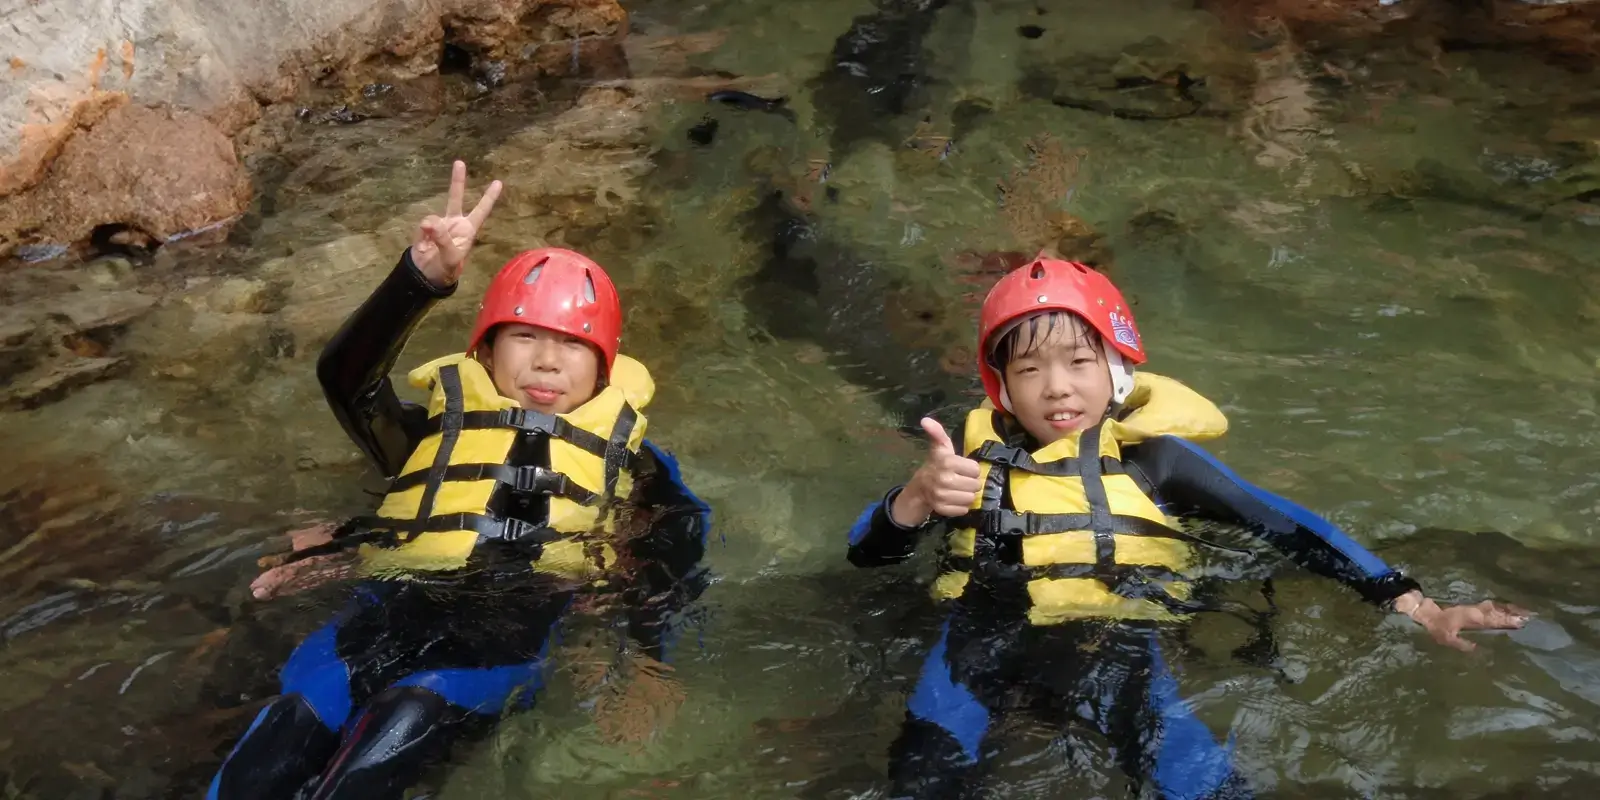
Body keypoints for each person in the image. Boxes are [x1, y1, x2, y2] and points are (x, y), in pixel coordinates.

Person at [845, 256, 1529, 800]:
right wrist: (910, 500)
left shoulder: (1158, 461)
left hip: (1117, 645)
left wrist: (1413, 602)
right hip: (979, 642)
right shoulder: (962, 468)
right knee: (921, 780)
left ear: (1116, 367)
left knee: (1199, 784)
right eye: (1029, 369)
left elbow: (1290, 526)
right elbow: (864, 554)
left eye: (1079, 362)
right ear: (1002, 387)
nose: (1056, 387)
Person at [207, 161, 711, 800]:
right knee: (273, 750)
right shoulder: (429, 435)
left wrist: (645, 659)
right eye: (524, 336)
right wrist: (419, 282)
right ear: (484, 353)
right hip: (376, 620)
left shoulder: (633, 466)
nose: (547, 361)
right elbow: (344, 378)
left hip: (500, 641)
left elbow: (677, 552)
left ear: (605, 371)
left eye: (573, 346)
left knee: (392, 737)